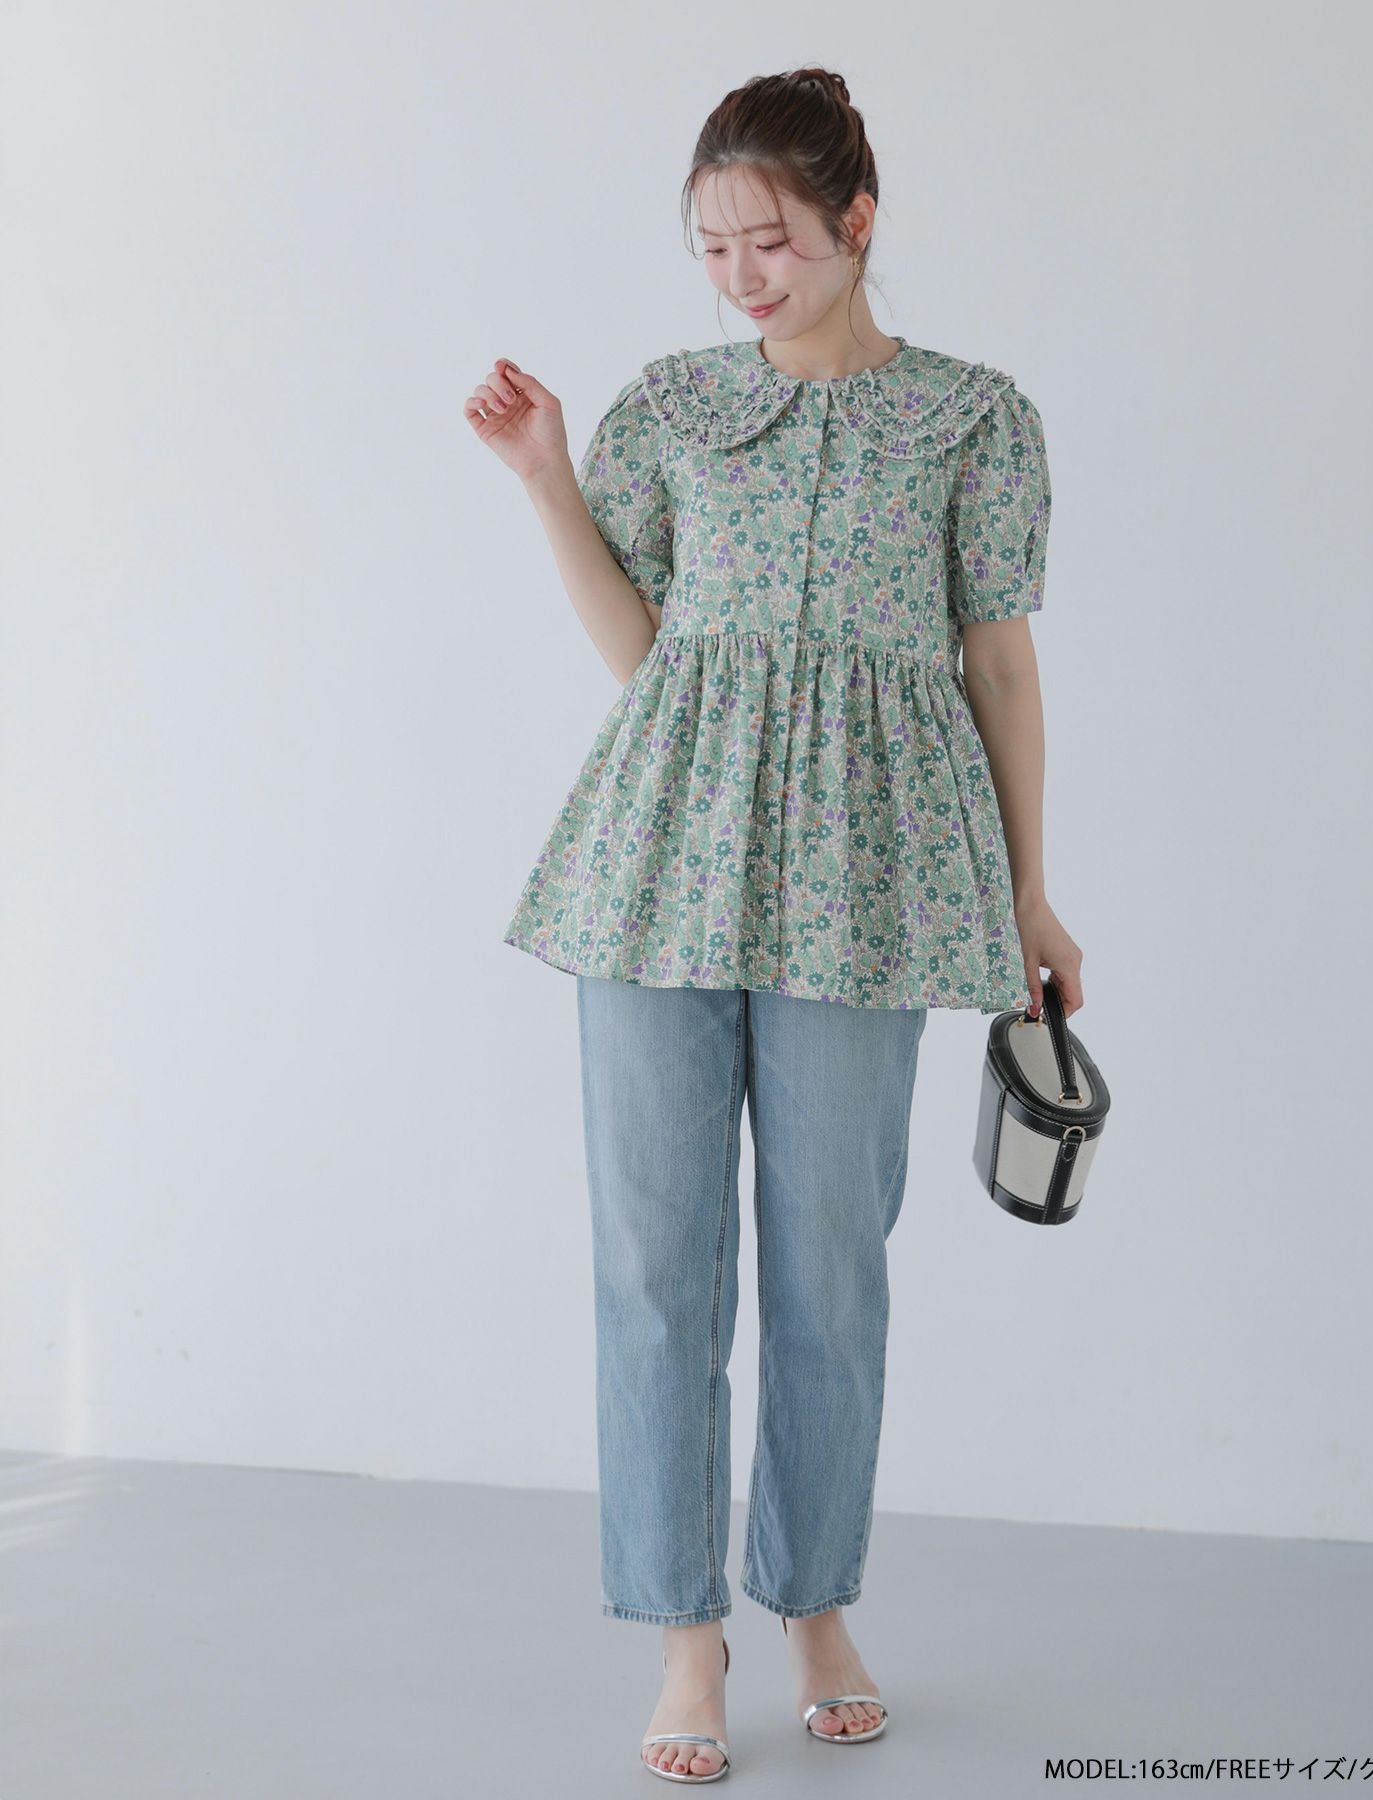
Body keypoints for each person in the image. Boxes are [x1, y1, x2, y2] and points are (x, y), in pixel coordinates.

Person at [464, 63, 1083, 1784]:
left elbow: (1001, 664)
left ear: (857, 222)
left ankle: (815, 1604)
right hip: (658, 866)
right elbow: (646, 655)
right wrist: (545, 478)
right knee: (656, 1269)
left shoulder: (974, 418)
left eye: (775, 241)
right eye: (715, 245)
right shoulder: (670, 406)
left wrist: (1028, 892)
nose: (743, 274)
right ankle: (687, 1638)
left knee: (831, 1264)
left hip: (870, 889)